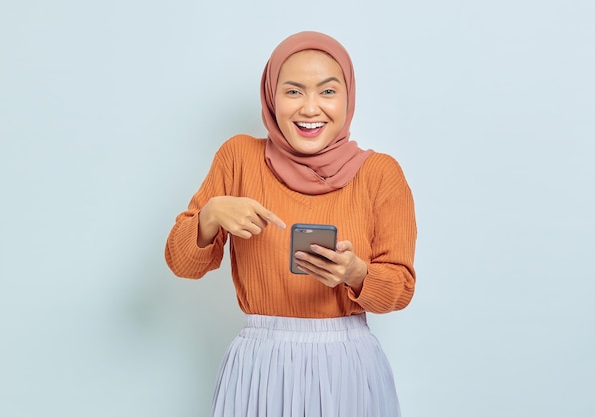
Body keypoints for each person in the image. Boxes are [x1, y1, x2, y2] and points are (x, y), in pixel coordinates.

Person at [165, 31, 417, 417]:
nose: (310, 108)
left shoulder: (380, 173)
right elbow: (182, 264)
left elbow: (400, 290)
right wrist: (210, 215)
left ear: (348, 96)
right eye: (294, 91)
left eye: (328, 92)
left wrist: (356, 272)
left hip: (346, 363)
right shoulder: (238, 158)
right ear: (271, 96)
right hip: (259, 363)